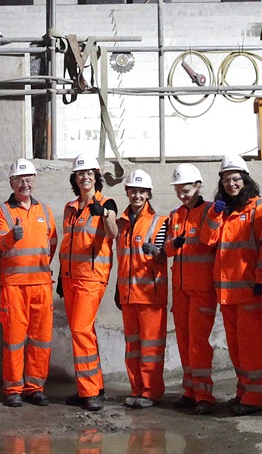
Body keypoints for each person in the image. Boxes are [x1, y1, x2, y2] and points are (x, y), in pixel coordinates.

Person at [200, 155, 262, 416]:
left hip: (248, 291)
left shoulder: (258, 209)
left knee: (250, 346)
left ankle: (257, 396)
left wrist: (260, 280)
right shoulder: (224, 209)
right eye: (226, 180)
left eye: (235, 179)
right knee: (236, 346)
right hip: (227, 292)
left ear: (245, 179)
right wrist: (214, 214)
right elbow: (207, 240)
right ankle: (244, 391)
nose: (231, 184)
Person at [0, 158, 59, 406]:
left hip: (41, 285)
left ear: (35, 180)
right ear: (11, 183)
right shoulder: (3, 211)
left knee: (41, 339)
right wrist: (12, 236)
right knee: (14, 339)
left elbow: (52, 244)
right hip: (14, 286)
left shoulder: (45, 211)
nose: (24, 183)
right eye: (19, 179)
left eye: (28, 178)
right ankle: (13, 389)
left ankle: (35, 387)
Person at [59, 153, 118, 410]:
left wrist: (104, 214)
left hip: (91, 279)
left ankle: (89, 393)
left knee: (81, 331)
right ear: (75, 178)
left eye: (89, 173)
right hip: (71, 278)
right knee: (83, 332)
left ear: (96, 176)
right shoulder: (70, 208)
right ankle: (94, 385)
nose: (85, 177)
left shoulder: (107, 202)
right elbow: (68, 244)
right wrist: (62, 275)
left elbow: (114, 232)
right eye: (80, 173)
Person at [165, 163, 217, 413]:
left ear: (198, 186)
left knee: (198, 343)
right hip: (181, 289)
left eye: (185, 190)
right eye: (178, 191)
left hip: (202, 289)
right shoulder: (175, 215)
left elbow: (213, 241)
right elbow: (165, 249)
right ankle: (190, 391)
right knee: (184, 342)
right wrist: (173, 244)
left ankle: (204, 395)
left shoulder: (210, 212)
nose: (181, 195)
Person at [115, 168, 168, 408]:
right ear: (127, 192)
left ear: (148, 194)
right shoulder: (121, 224)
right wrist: (118, 289)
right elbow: (122, 260)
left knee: (151, 347)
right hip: (127, 295)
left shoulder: (160, 222)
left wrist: (156, 252)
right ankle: (137, 389)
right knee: (133, 347)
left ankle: (151, 391)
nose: (137, 195)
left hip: (150, 295)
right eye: (133, 191)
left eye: (141, 192)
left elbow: (164, 255)